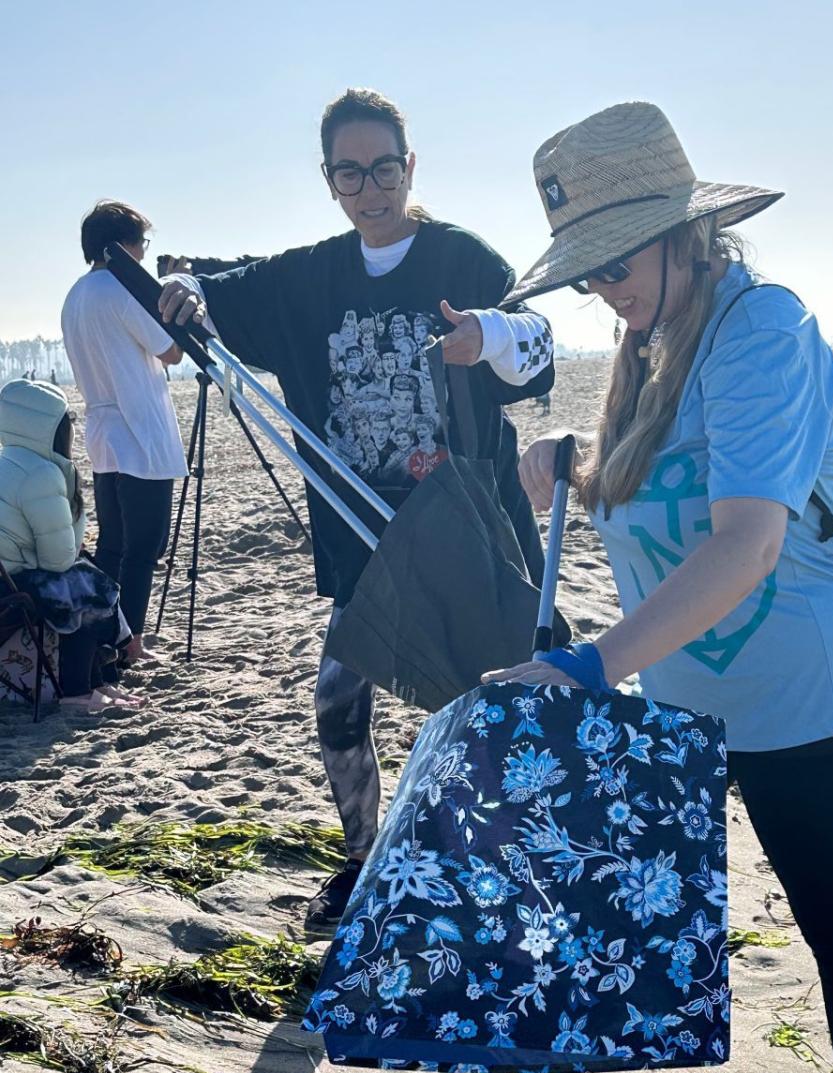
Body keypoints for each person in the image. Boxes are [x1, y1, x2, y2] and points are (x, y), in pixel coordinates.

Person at [419, 101, 833, 1073]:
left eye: (614, 265)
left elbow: (745, 535)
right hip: (675, 687)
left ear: (687, 234)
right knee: (597, 903)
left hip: (798, 693)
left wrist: (591, 663)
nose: (602, 293)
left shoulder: (763, 329)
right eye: (582, 275)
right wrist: (571, 459)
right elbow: (663, 472)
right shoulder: (645, 342)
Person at [157, 87, 555, 935]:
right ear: (329, 179)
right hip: (364, 539)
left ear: (410, 168)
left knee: (487, 706)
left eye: (384, 169)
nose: (370, 189)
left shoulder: (463, 260)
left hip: (468, 535)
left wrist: (490, 335)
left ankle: (501, 872)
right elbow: (212, 285)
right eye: (350, 173)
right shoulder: (310, 276)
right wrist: (184, 284)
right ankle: (366, 859)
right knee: (338, 700)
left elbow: (542, 347)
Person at [61, 202, 186, 669]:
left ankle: (107, 636)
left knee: (113, 545)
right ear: (122, 246)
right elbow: (171, 350)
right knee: (145, 546)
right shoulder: (120, 288)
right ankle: (128, 641)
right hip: (140, 432)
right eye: (140, 244)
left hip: (103, 432)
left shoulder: (76, 294)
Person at [0, 380, 133, 713]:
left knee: (83, 577)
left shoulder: (7, 463)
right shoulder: (41, 473)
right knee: (85, 585)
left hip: (8, 578)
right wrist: (74, 496)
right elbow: (60, 559)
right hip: (11, 588)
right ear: (52, 429)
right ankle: (79, 691)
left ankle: (100, 682)